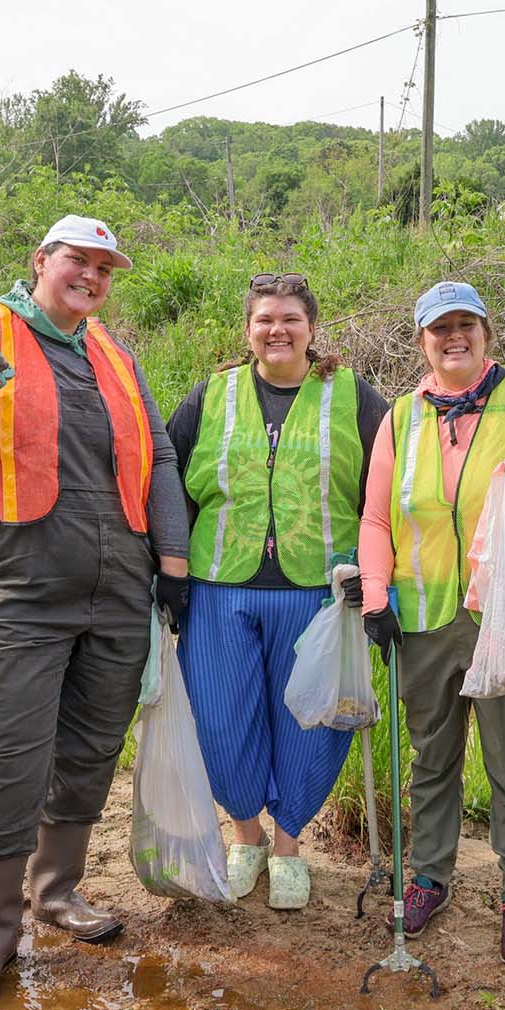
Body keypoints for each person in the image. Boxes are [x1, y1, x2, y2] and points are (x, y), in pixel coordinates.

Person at [0, 214, 191, 1005]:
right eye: (76, 261)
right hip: (16, 584)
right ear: (41, 261)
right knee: (4, 757)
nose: (90, 276)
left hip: (119, 587)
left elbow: (157, 455)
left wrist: (174, 559)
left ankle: (56, 893)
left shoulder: (116, 356)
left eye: (104, 267)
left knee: (89, 749)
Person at [356, 281, 505, 966]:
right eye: (439, 328)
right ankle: (430, 877)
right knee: (432, 759)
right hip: (425, 620)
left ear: (486, 332)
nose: (453, 337)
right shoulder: (400, 417)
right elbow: (376, 519)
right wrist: (377, 596)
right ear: (422, 339)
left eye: (466, 325)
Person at [166, 273, 389, 910]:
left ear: (312, 328)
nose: (277, 330)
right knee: (218, 715)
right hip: (217, 588)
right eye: (265, 319)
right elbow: (166, 479)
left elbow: (385, 490)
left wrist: (377, 581)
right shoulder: (213, 396)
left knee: (312, 719)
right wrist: (169, 572)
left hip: (320, 593)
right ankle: (245, 835)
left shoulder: (352, 396)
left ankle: (289, 843)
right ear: (248, 331)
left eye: (290, 318)